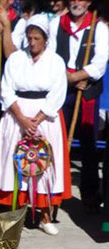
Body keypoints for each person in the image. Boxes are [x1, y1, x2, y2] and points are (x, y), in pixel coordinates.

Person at [0, 14, 70, 235]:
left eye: (37, 38)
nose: (33, 42)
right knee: (15, 164)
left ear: (45, 39)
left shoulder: (55, 61)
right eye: (30, 38)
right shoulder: (16, 59)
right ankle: (13, 215)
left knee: (42, 164)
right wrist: (22, 118)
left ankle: (44, 216)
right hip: (17, 117)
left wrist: (37, 119)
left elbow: (58, 92)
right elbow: (6, 89)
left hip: (44, 117)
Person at [49, 0, 108, 213]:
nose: (77, 2)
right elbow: (52, 55)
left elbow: (100, 62)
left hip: (87, 90)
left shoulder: (98, 28)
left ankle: (90, 193)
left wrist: (81, 76)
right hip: (61, 86)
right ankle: (54, 192)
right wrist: (69, 77)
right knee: (55, 140)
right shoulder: (57, 24)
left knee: (88, 145)